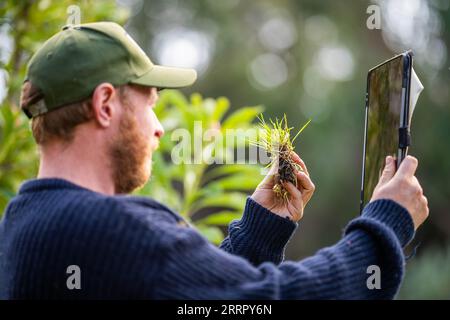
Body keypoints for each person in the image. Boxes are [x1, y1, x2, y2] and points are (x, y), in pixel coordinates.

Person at [0, 22, 428, 299]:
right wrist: (385, 225)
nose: (159, 128)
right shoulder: (113, 229)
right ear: (106, 105)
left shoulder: (20, 224)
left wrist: (259, 234)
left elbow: (205, 301)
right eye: (149, 104)